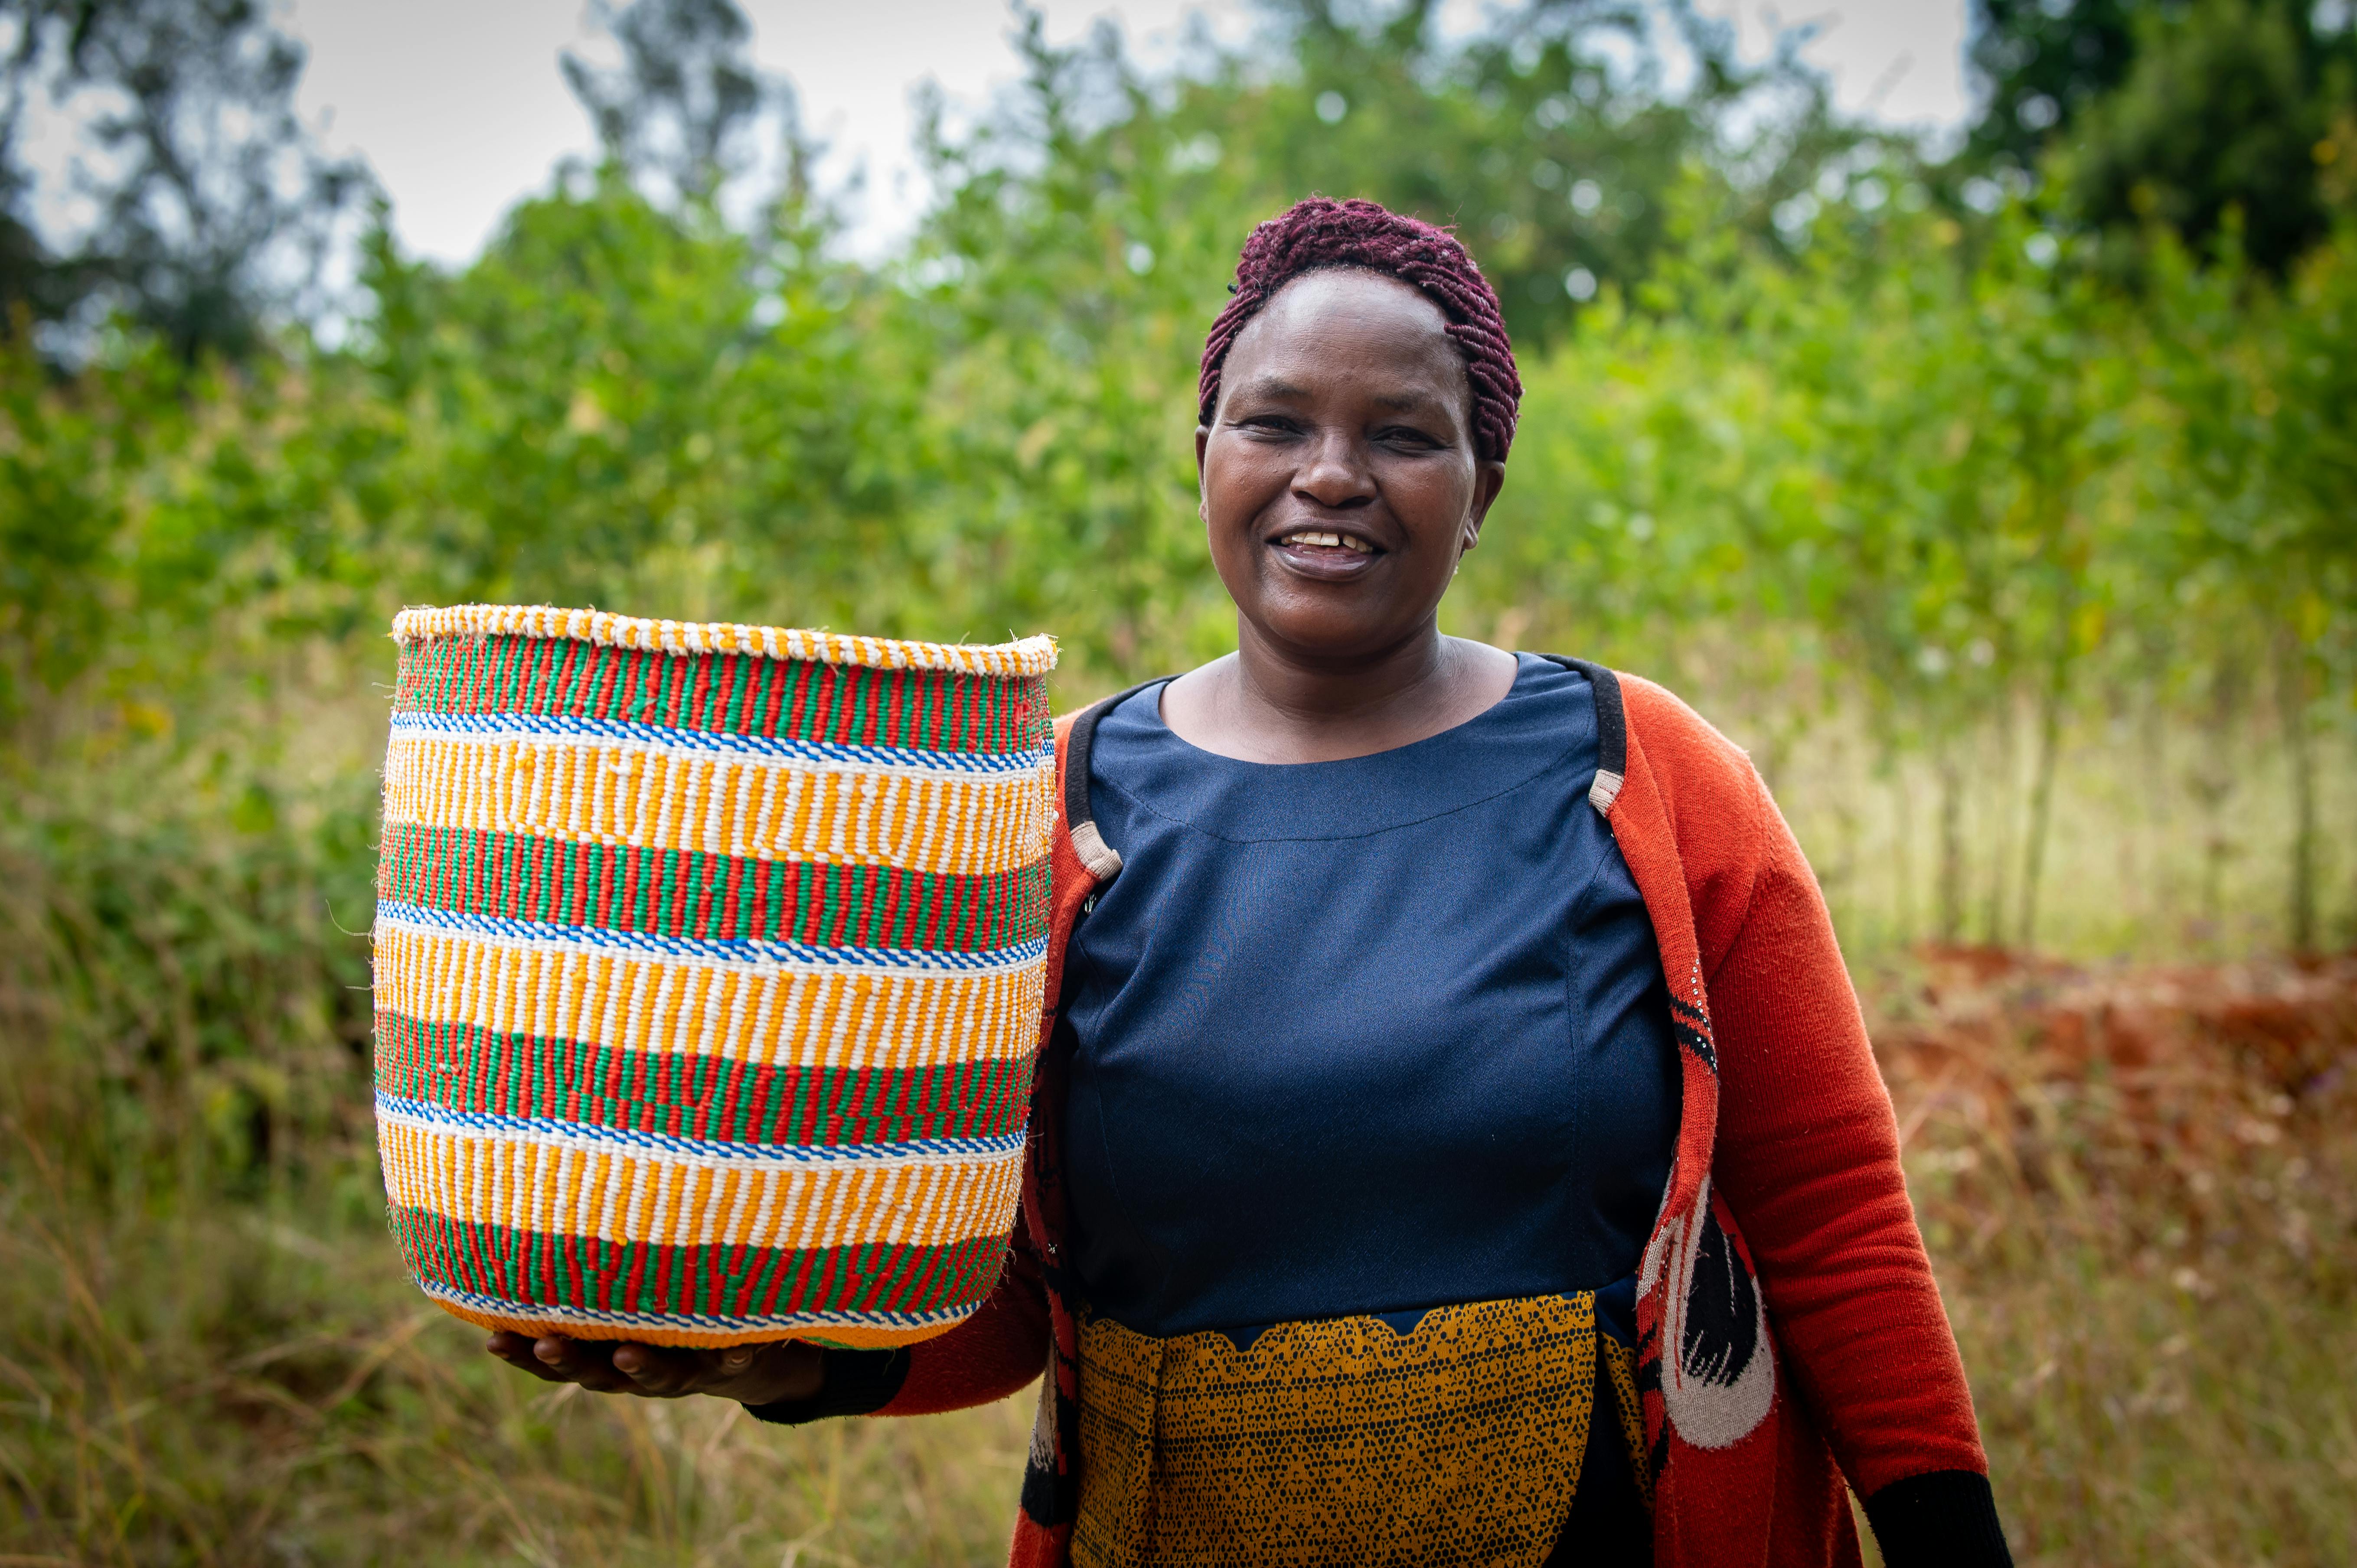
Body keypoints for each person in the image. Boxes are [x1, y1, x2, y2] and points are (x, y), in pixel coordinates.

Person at [487, 196, 2012, 1568]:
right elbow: (1005, 1293)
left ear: (1479, 484)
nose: (1330, 476)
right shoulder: (1046, 820)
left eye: (1405, 434)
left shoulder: (1647, 778)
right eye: (1273, 421)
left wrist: (1949, 1543)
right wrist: (777, 1362)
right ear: (1203, 458)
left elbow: (1830, 1216)